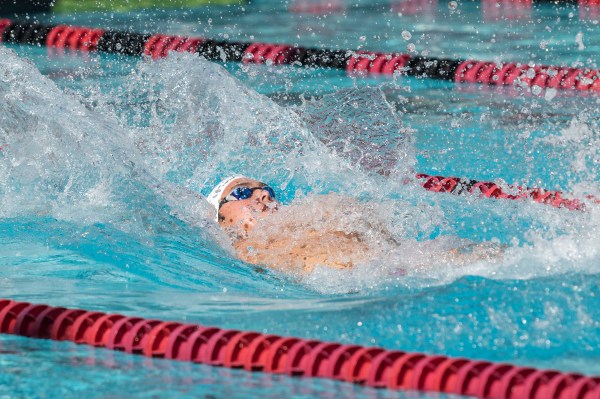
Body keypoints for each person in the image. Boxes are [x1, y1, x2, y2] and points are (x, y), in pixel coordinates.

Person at [207, 175, 503, 275]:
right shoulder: (239, 250)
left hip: (403, 261)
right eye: (244, 192)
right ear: (221, 217)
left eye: (267, 190)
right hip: (368, 278)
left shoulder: (306, 215)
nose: (262, 194)